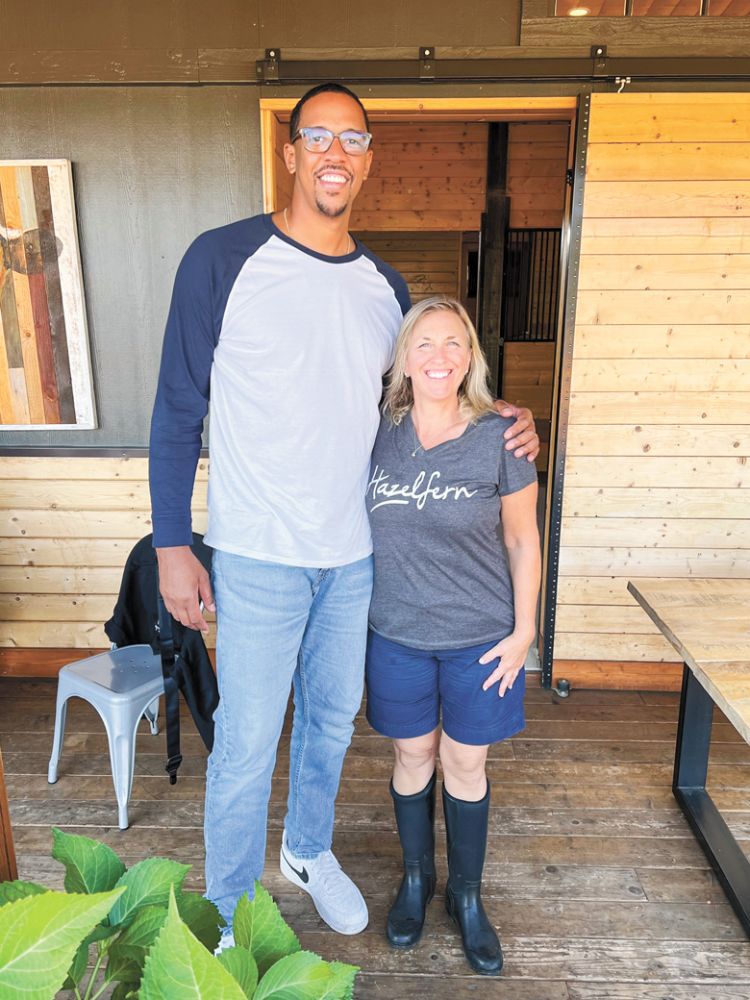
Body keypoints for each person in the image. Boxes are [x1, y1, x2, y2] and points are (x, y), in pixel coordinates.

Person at [148, 82, 540, 946]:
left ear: (366, 160)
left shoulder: (383, 286)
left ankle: (307, 850)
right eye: (317, 135)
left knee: (329, 720)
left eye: (353, 140)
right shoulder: (221, 260)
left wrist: (510, 415)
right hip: (256, 553)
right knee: (249, 740)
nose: (335, 152)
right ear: (290, 153)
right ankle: (226, 904)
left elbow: (428, 393)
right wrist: (173, 544)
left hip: (356, 558)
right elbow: (178, 407)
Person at [365, 296, 541, 975]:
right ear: (404, 358)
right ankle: (418, 881)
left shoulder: (501, 434)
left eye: (454, 343)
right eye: (425, 343)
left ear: (471, 357)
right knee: (414, 756)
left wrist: (525, 631)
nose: (440, 356)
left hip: (481, 637)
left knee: (465, 764)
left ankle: (466, 897)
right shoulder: (376, 430)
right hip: (397, 633)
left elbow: (523, 538)